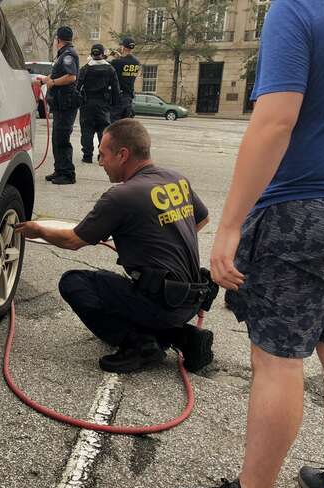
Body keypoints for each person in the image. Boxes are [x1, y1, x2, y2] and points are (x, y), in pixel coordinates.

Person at [173, 0, 324, 488]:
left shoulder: (299, 9)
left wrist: (231, 224)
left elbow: (276, 120)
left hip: (303, 209)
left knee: (278, 361)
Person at [15, 119, 215, 374]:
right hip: (190, 298)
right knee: (118, 284)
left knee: (75, 283)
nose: (100, 163)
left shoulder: (121, 196)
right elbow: (202, 219)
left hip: (163, 302)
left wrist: (38, 229)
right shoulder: (176, 179)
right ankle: (183, 336)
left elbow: (73, 241)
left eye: (102, 155)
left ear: (123, 155)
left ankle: (140, 345)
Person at [39, 26, 80, 185]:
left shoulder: (69, 55)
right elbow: (57, 74)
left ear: (58, 40)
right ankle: (59, 170)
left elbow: (71, 77)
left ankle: (68, 174)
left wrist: (53, 82)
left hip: (66, 103)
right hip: (61, 103)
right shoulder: (64, 54)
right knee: (57, 138)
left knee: (62, 139)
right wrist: (45, 80)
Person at [78, 43, 120, 164]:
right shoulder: (110, 69)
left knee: (86, 130)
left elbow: (77, 86)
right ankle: (102, 156)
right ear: (102, 54)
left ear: (91, 54)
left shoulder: (85, 68)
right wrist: (114, 105)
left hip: (87, 103)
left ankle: (87, 156)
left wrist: (78, 101)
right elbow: (116, 89)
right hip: (103, 104)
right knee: (103, 130)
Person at [110, 37, 140, 122]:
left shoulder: (117, 62)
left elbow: (107, 67)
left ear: (123, 47)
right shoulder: (136, 62)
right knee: (125, 126)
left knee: (114, 126)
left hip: (118, 98)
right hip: (129, 98)